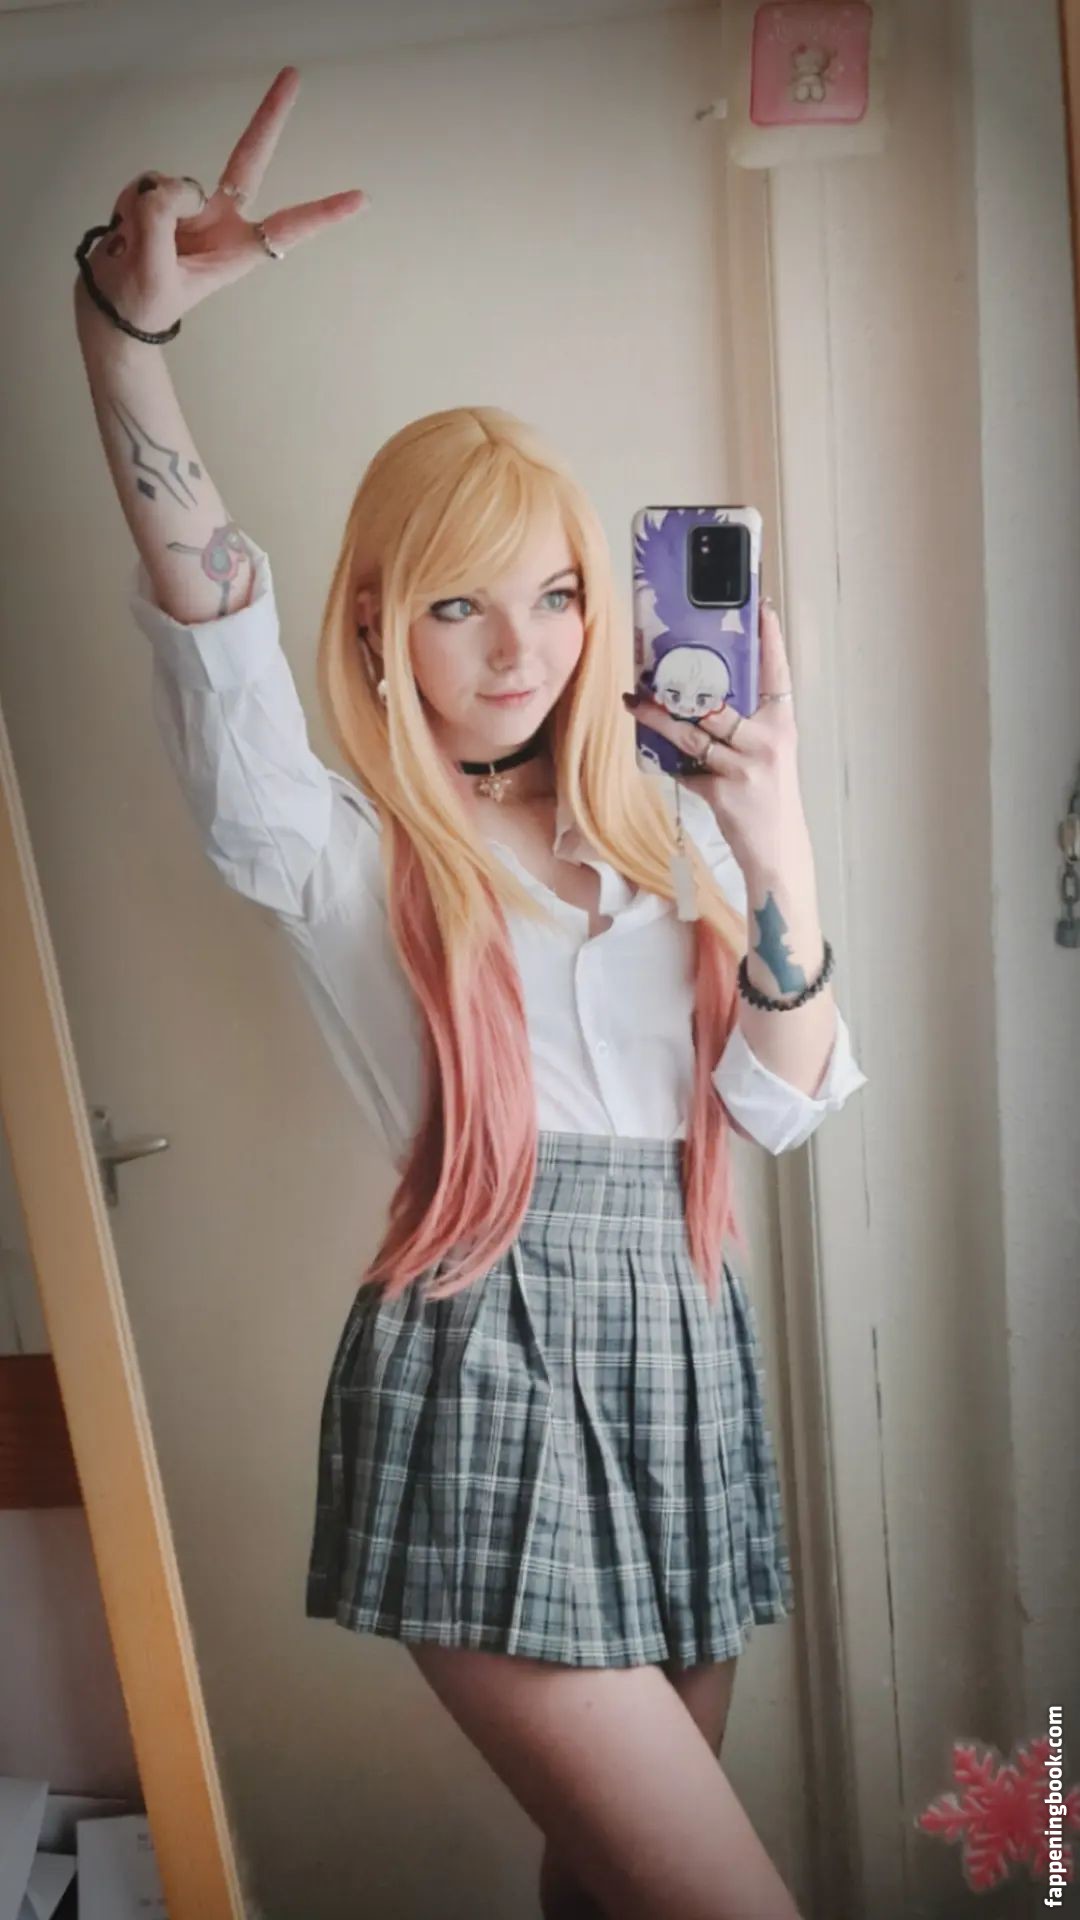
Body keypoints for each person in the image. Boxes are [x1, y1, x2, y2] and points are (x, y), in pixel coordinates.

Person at [73, 66, 868, 1920]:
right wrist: (124, 341)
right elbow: (206, 616)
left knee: (609, 1894)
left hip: (682, 1350)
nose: (519, 649)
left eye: (557, 595)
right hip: (484, 1368)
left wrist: (778, 845)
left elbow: (786, 1102)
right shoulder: (332, 846)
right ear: (375, 627)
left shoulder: (669, 839)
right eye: (455, 605)